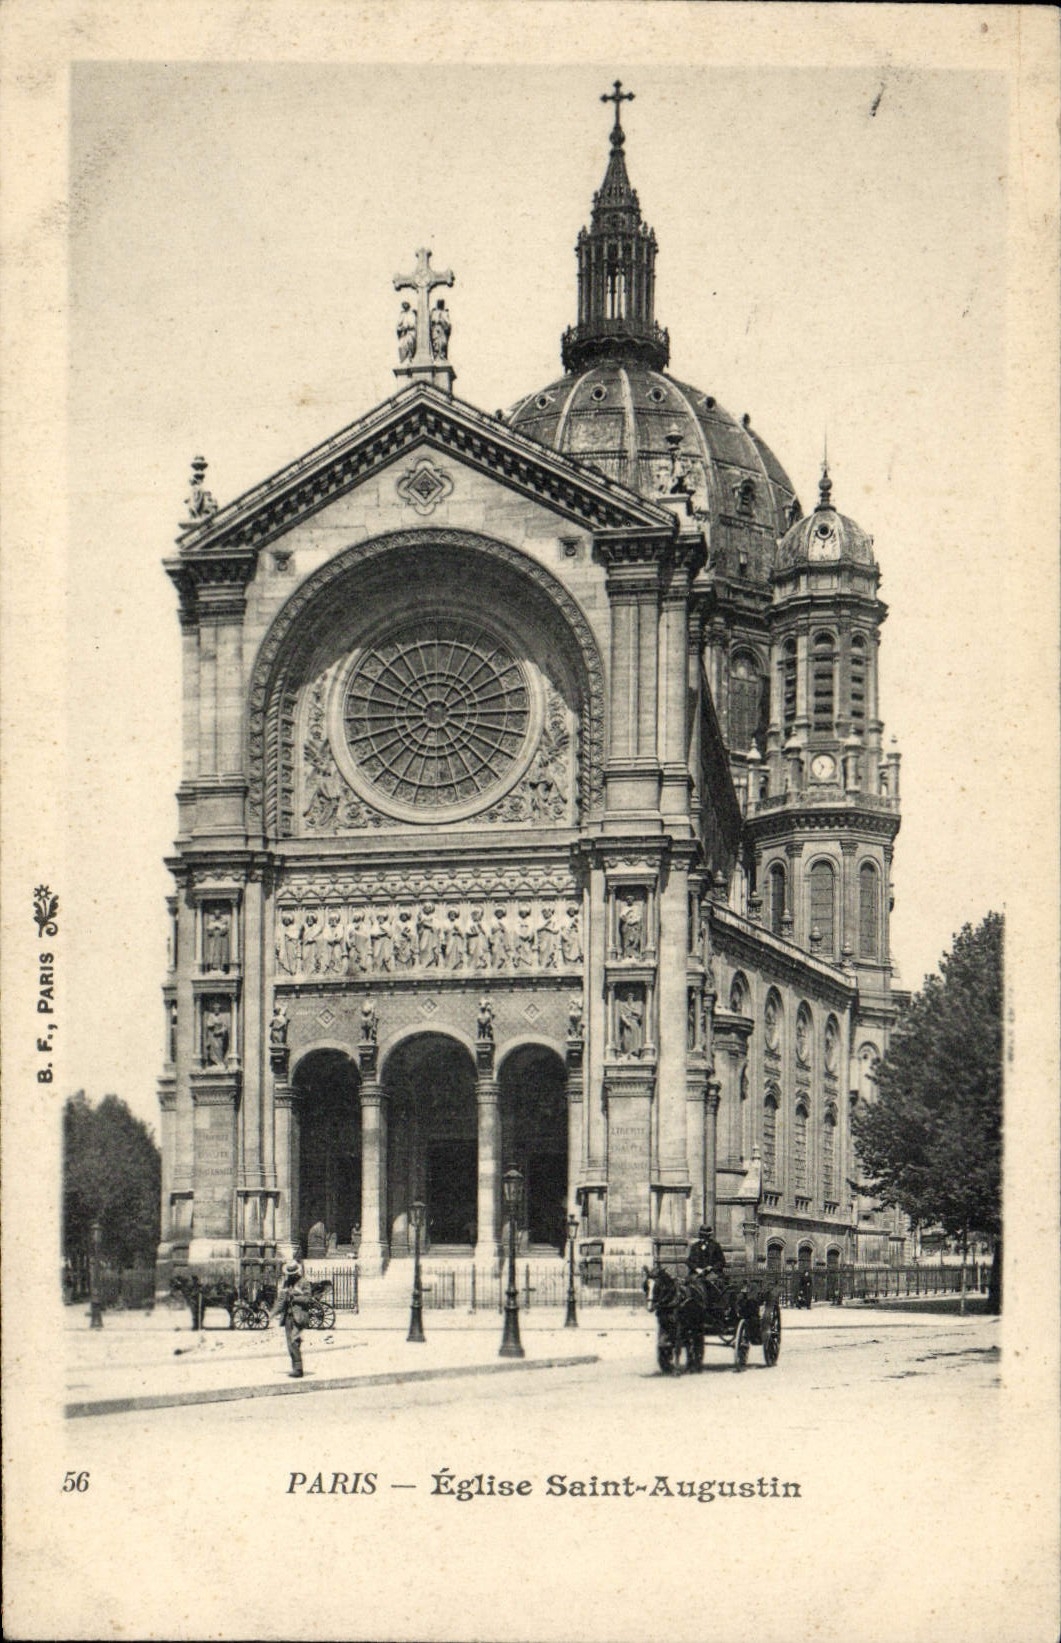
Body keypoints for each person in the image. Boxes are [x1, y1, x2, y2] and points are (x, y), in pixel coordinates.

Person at [272, 1258, 312, 1378]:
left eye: (292, 1274)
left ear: (297, 1272)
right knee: (290, 1343)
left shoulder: (304, 1282)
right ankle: (295, 1367)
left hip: (299, 1316)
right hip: (288, 1317)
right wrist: (272, 1313)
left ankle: (298, 1369)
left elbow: (308, 1299)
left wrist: (294, 1297)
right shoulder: (286, 1283)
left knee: (294, 1340)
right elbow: (281, 1300)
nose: (290, 1276)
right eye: (289, 1274)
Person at [686, 1224, 727, 1314]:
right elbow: (689, 1261)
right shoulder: (694, 1246)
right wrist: (697, 1269)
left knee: (707, 1283)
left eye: (705, 1236)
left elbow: (722, 1261)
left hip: (712, 1273)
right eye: (701, 1235)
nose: (703, 1238)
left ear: (709, 1236)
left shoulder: (715, 1246)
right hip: (697, 1273)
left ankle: (708, 1305)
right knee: (690, 1282)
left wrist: (712, 1267)